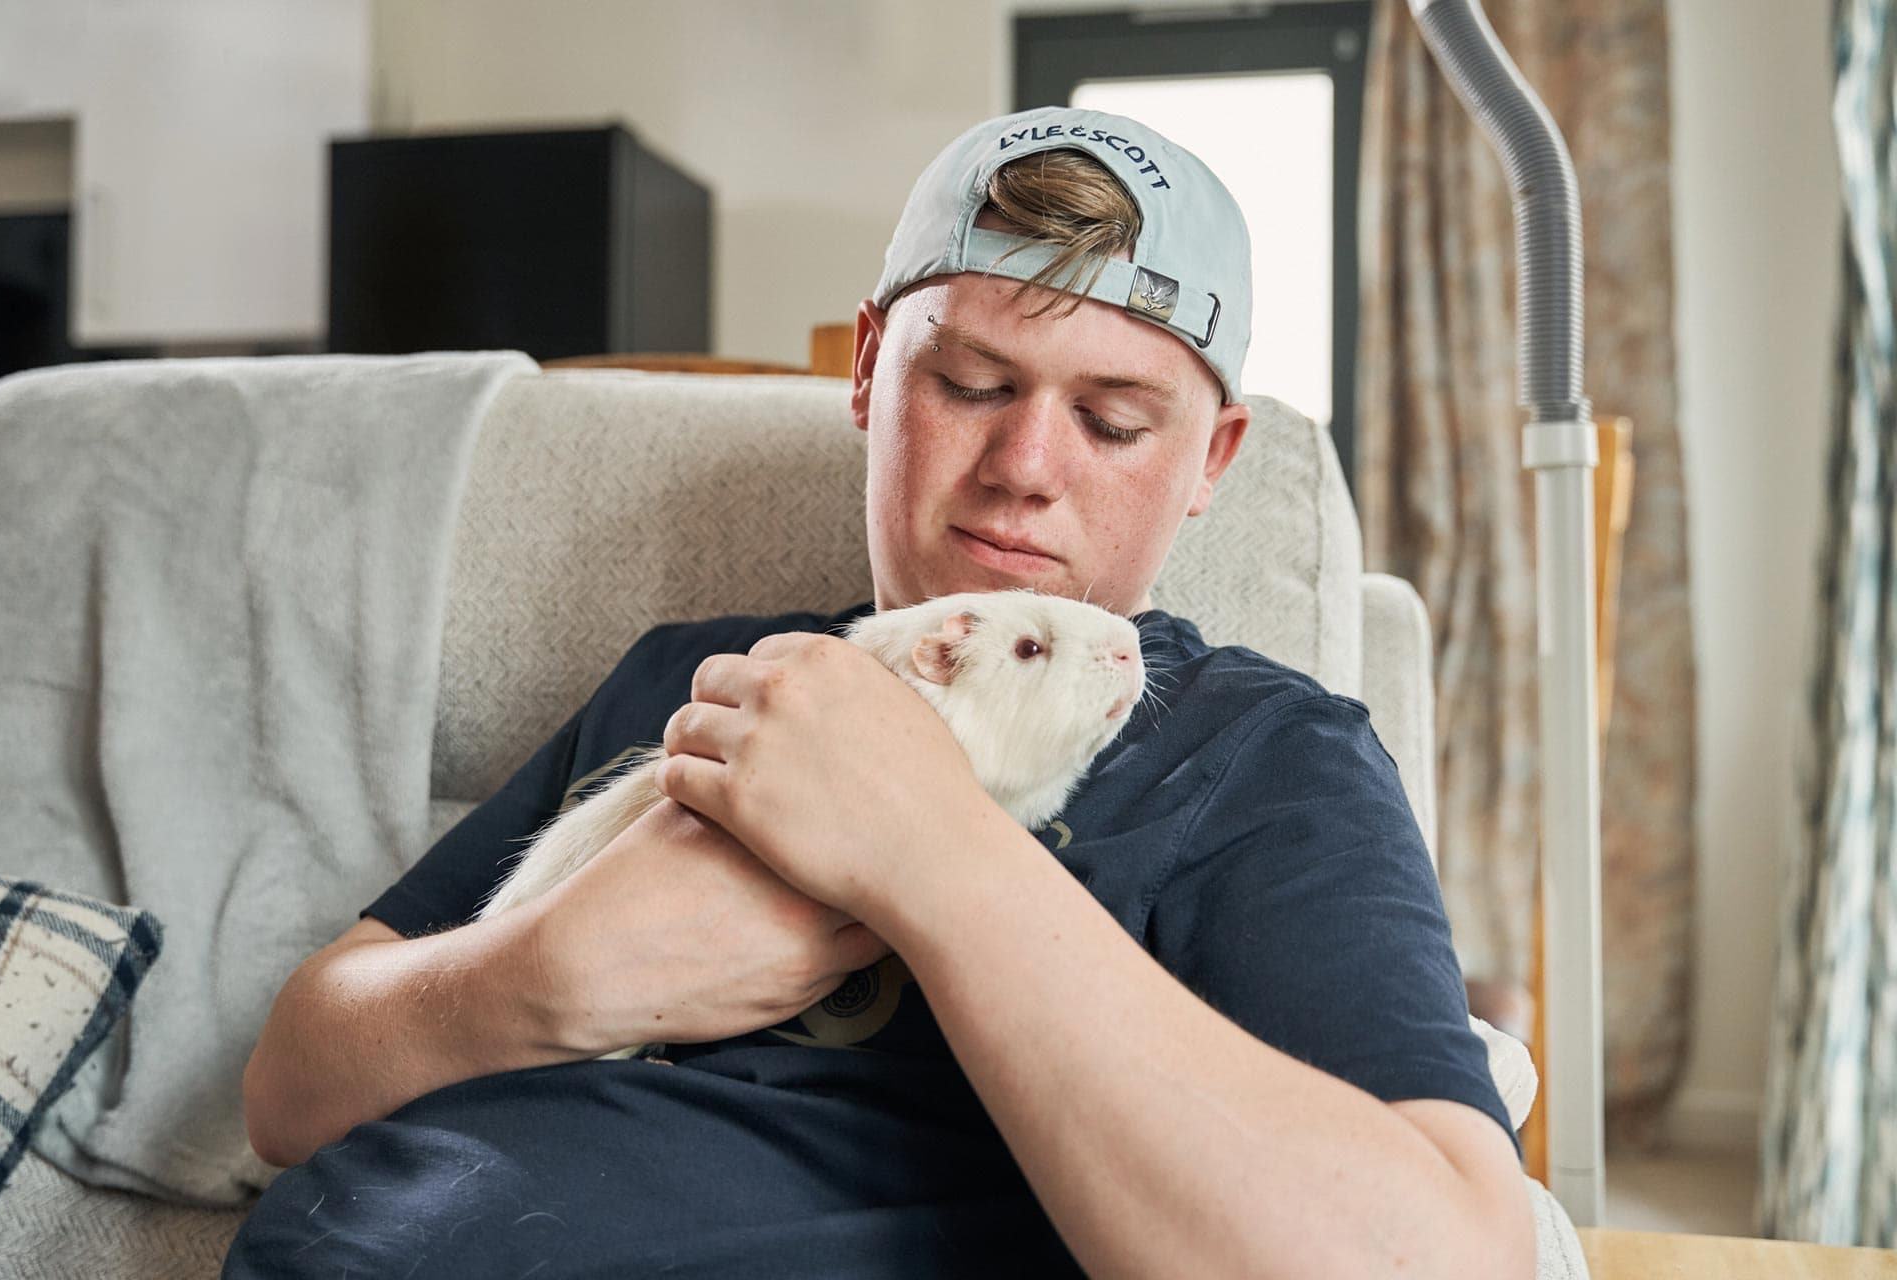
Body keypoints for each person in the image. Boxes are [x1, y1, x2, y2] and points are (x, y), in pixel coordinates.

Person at [229, 106, 1533, 1278]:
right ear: (865, 371)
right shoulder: (692, 678)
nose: (1024, 465)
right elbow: (288, 1086)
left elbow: (1444, 1254)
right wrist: (536, 979)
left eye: (1114, 420)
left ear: (1211, 460)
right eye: (969, 384)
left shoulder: (1259, 754)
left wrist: (931, 849)